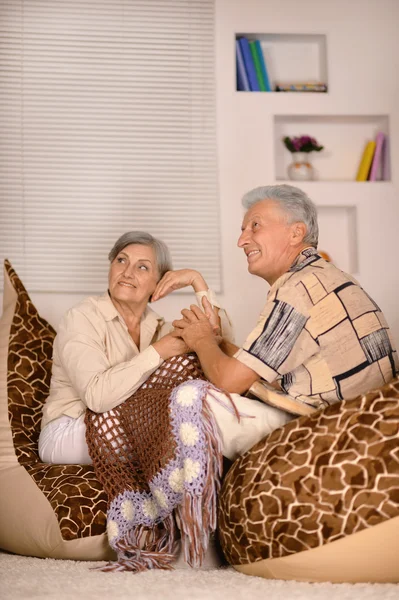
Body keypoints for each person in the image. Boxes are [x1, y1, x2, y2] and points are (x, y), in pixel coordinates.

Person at [173, 184, 398, 438]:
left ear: (296, 233)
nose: (241, 241)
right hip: (362, 419)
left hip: (335, 430)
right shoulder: (328, 277)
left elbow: (230, 381)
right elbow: (258, 368)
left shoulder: (298, 289)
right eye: (243, 230)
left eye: (255, 226)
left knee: (189, 398)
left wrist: (201, 339)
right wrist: (211, 332)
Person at [38, 231, 234, 464]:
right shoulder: (81, 317)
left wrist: (196, 280)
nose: (127, 272)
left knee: (196, 411)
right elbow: (96, 397)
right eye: (121, 260)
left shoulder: (158, 327)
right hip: (68, 430)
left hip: (124, 424)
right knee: (183, 430)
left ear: (159, 283)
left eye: (142, 267)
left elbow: (215, 340)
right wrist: (159, 351)